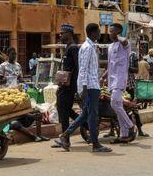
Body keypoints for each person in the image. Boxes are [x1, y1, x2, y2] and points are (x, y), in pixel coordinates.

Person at [57, 23, 112, 152]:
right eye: (98, 31)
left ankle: (65, 135)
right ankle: (95, 144)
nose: (99, 34)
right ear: (92, 33)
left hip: (94, 85)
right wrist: (83, 88)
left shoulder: (91, 47)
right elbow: (82, 69)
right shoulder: (87, 48)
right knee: (92, 115)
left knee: (86, 114)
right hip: (90, 87)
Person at [100, 23, 136, 144]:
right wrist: (103, 76)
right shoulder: (110, 46)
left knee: (114, 103)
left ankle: (131, 126)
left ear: (118, 33)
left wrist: (119, 35)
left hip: (120, 78)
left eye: (112, 31)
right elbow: (110, 64)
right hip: (111, 79)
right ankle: (124, 135)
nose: (109, 34)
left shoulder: (125, 45)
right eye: (109, 31)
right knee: (117, 106)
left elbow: (124, 40)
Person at [52, 24, 81, 148]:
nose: (60, 35)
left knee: (64, 111)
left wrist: (77, 85)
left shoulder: (73, 48)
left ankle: (66, 139)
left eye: (62, 33)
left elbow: (78, 66)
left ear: (68, 34)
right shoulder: (68, 47)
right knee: (65, 110)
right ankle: (83, 123)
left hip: (69, 86)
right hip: (64, 85)